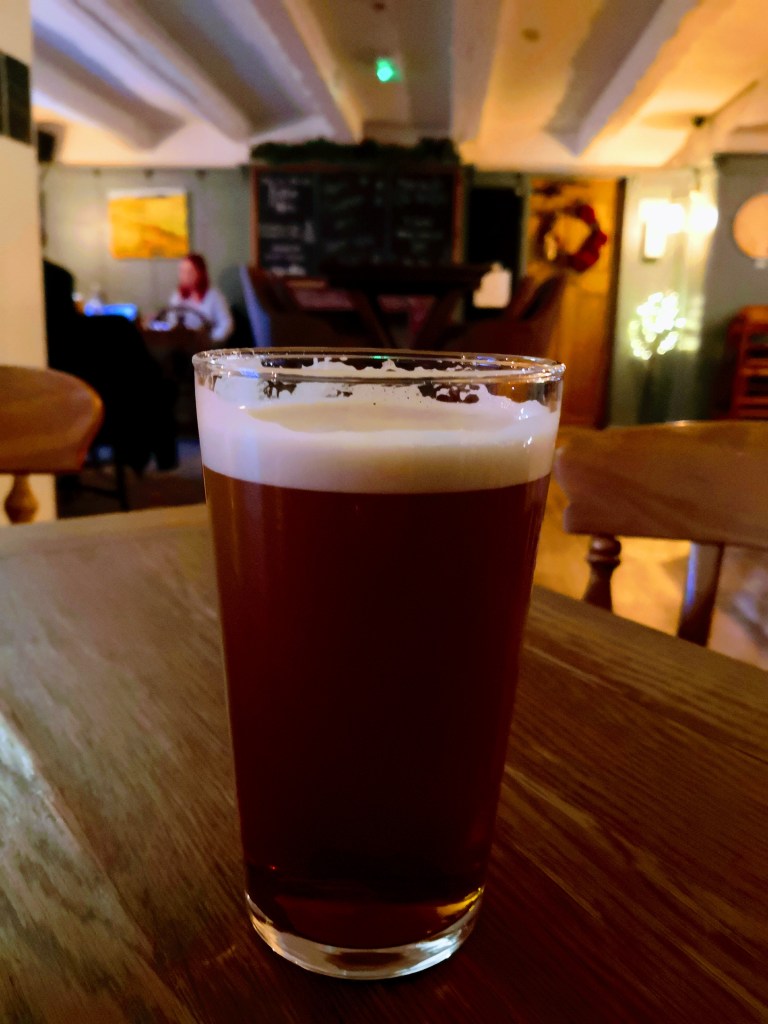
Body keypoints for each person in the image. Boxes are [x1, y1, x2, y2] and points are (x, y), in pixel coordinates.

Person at [168, 253, 233, 343]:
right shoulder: (177, 297)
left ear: (200, 273)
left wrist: (211, 340)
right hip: (183, 346)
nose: (185, 276)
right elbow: (171, 322)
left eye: (189, 271)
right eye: (182, 271)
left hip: (207, 346)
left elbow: (226, 324)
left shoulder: (214, 296)